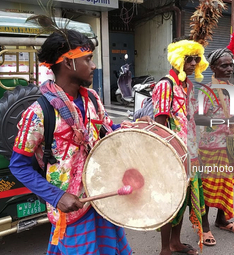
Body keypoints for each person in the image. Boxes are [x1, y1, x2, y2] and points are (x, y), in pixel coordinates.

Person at [9, 28, 150, 254]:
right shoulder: (38, 113)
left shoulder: (93, 99)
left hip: (103, 197)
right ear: (67, 62)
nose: (93, 66)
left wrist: (134, 128)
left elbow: (107, 130)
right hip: (72, 208)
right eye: (88, 59)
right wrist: (57, 196)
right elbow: (18, 165)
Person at [152, 37, 208, 255]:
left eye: (196, 59)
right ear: (177, 59)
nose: (193, 63)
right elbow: (160, 124)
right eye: (188, 59)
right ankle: (165, 248)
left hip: (190, 153)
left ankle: (176, 242)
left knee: (183, 201)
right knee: (170, 201)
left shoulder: (188, 84)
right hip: (172, 155)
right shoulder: (166, 85)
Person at [195, 48, 234, 247]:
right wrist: (224, 119)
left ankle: (222, 220)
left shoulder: (232, 90)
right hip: (210, 147)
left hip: (230, 145)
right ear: (213, 68)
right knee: (208, 188)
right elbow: (198, 118)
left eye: (231, 64)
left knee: (227, 185)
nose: (229, 68)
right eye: (224, 65)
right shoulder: (205, 90)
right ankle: (204, 227)